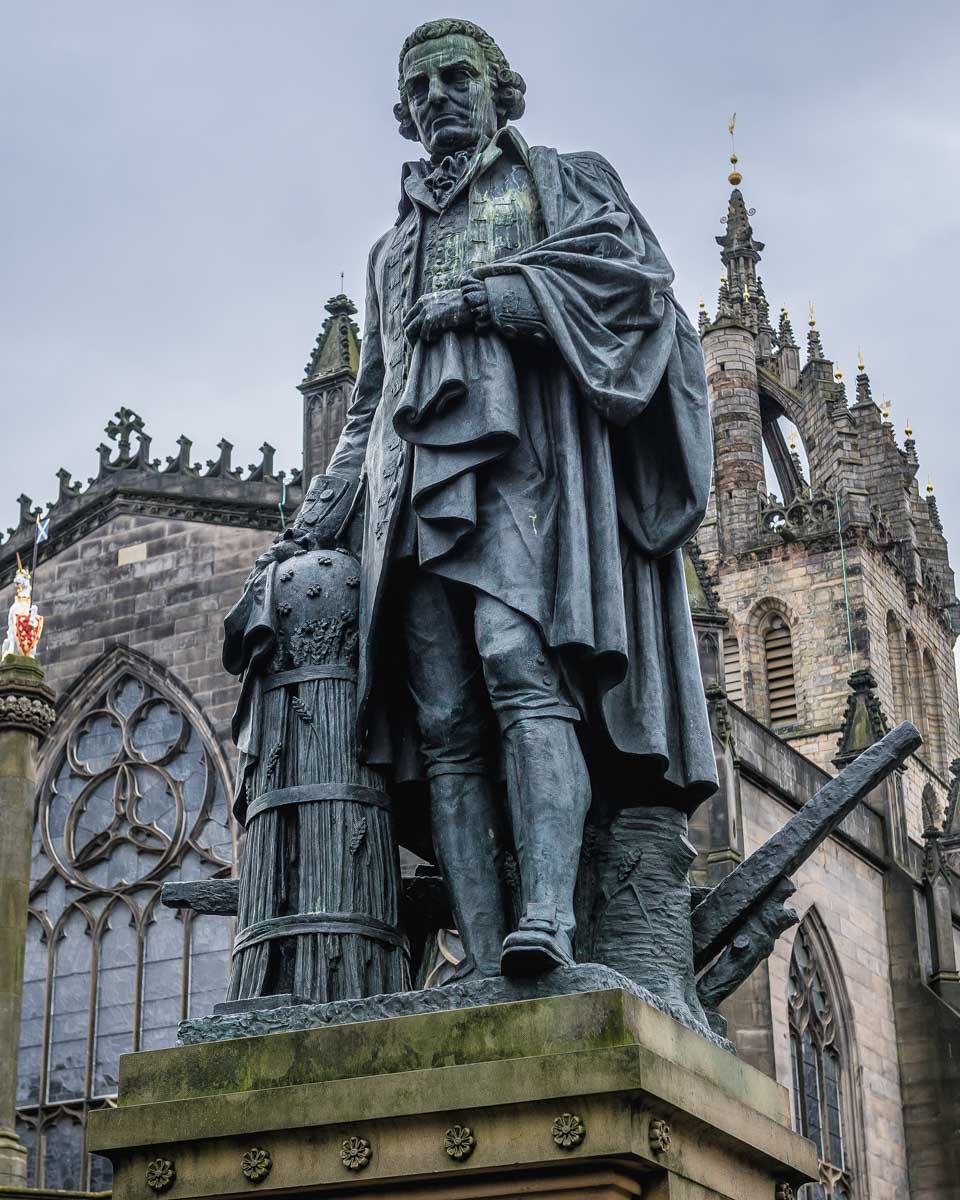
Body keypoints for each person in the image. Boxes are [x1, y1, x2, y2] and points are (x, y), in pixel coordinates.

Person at [258, 18, 718, 985]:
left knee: (520, 667)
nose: (438, 99)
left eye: (455, 76)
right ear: (402, 113)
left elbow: (633, 287)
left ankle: (548, 916)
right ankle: (480, 943)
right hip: (411, 491)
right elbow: (371, 401)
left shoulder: (562, 178)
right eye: (418, 89)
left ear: (500, 87)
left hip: (531, 470)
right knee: (445, 722)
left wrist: (491, 301)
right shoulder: (390, 251)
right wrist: (313, 519)